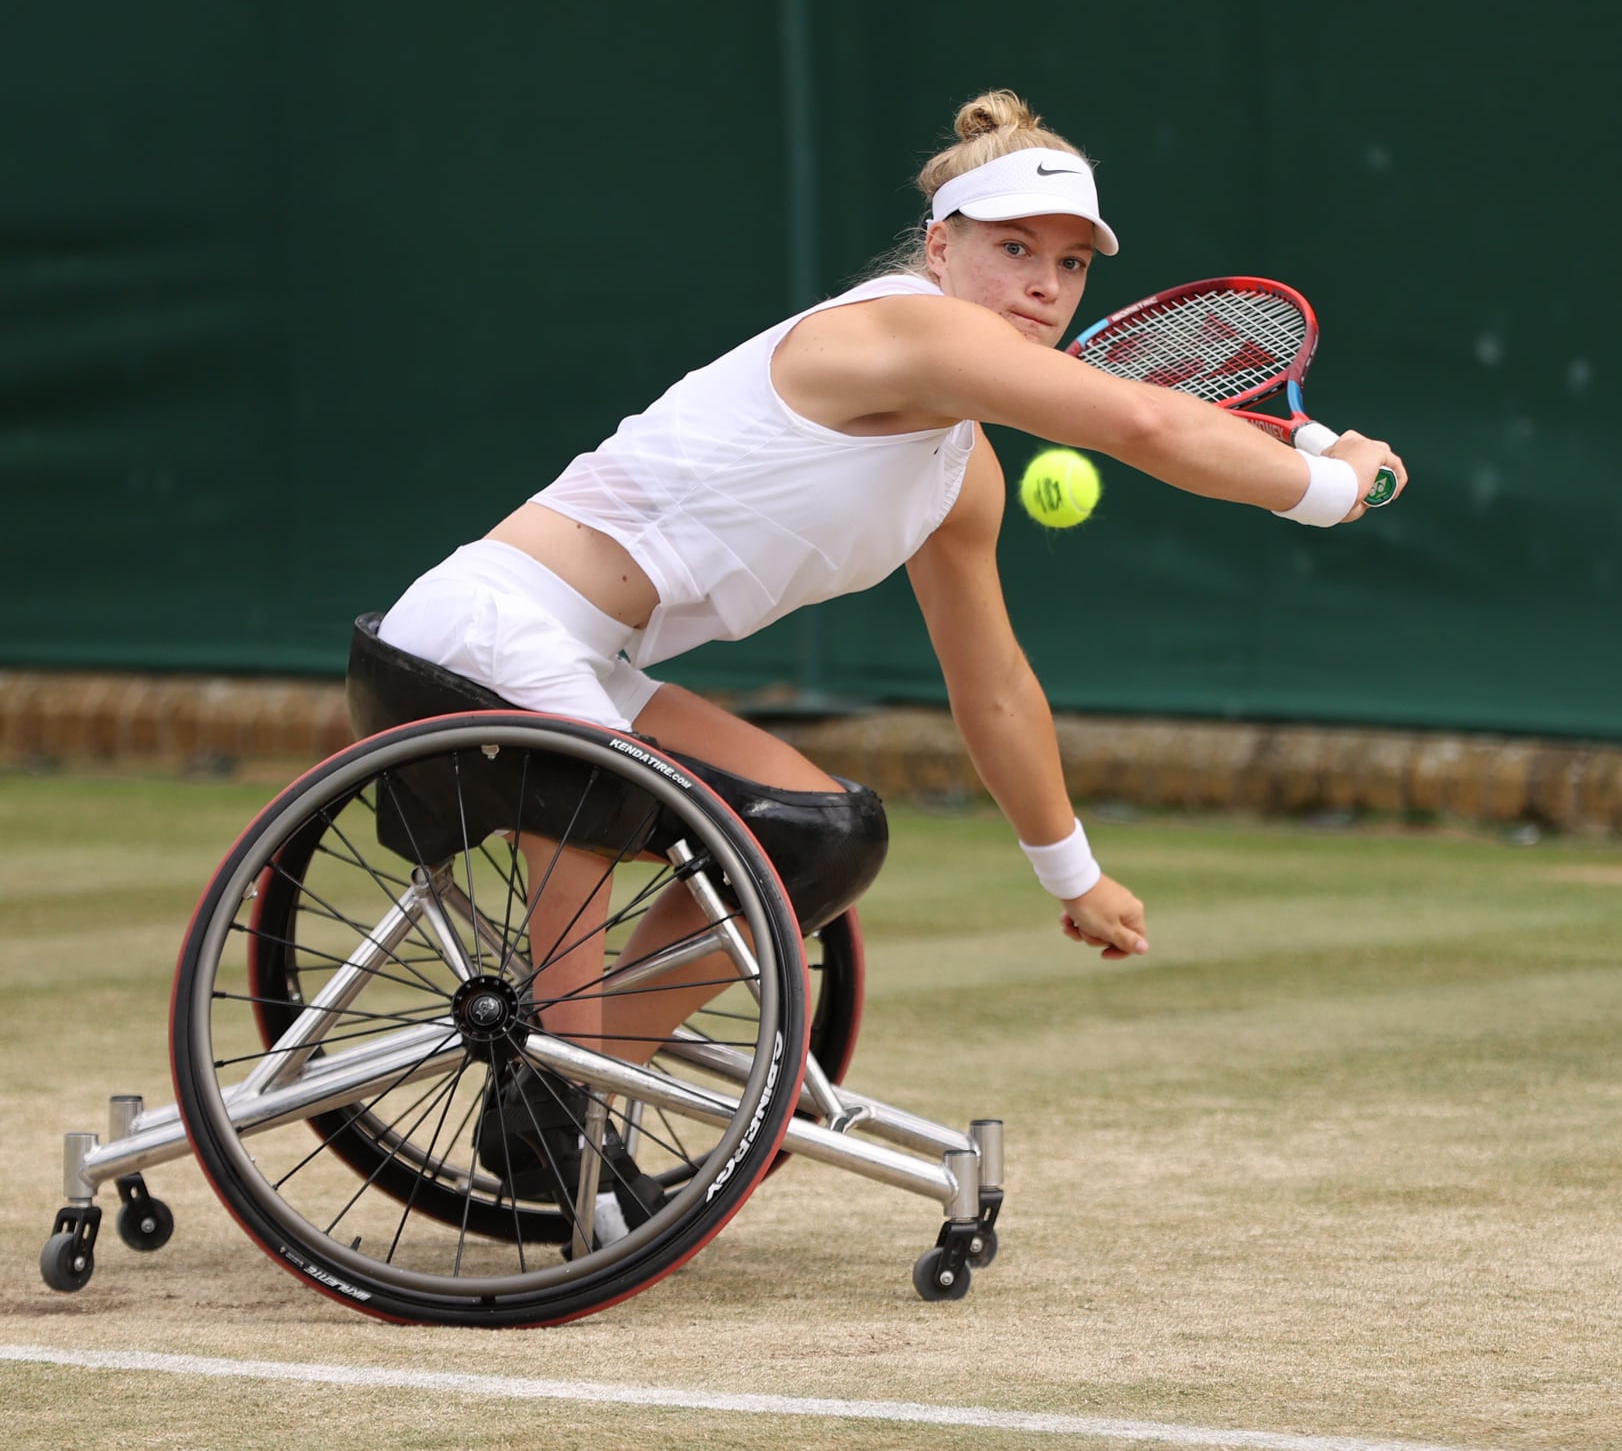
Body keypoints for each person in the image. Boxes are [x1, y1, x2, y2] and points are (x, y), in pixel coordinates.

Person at [376, 88, 1406, 1104]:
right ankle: (559, 1088)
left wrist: (1073, 875)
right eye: (1014, 248)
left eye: (1071, 263)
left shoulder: (962, 476)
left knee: (821, 831)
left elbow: (993, 684)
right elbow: (1144, 426)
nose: (1045, 285)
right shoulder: (911, 331)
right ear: (939, 249)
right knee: (597, 786)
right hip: (483, 629)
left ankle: (558, 1094)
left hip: (584, 663)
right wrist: (1331, 488)